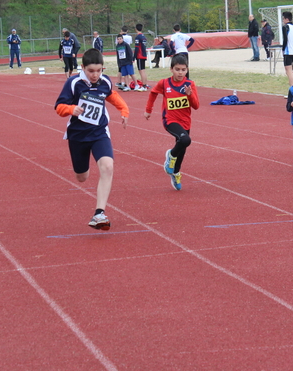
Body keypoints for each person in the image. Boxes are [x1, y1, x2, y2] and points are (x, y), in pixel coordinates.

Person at [54, 48, 129, 230]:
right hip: (78, 135)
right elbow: (59, 107)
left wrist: (124, 111)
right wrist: (71, 109)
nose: (95, 75)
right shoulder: (74, 83)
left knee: (107, 166)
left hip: (99, 133)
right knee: (82, 177)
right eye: (91, 71)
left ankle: (99, 213)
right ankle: (83, 172)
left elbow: (111, 95)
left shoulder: (104, 81)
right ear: (83, 68)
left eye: (98, 70)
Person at [144, 54, 200, 191]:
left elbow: (196, 106)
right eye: (177, 69)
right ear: (171, 69)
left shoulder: (190, 84)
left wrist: (190, 94)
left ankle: (175, 173)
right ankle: (170, 155)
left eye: (183, 69)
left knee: (182, 149)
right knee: (185, 140)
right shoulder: (164, 83)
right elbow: (153, 93)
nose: (180, 73)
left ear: (187, 70)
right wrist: (148, 110)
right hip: (170, 120)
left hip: (185, 121)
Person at [133, 23, 148, 90]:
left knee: (141, 71)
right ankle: (145, 84)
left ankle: (143, 85)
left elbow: (136, 48)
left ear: (136, 29)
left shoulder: (138, 37)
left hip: (140, 55)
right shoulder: (143, 36)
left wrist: (134, 57)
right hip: (144, 55)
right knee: (143, 70)